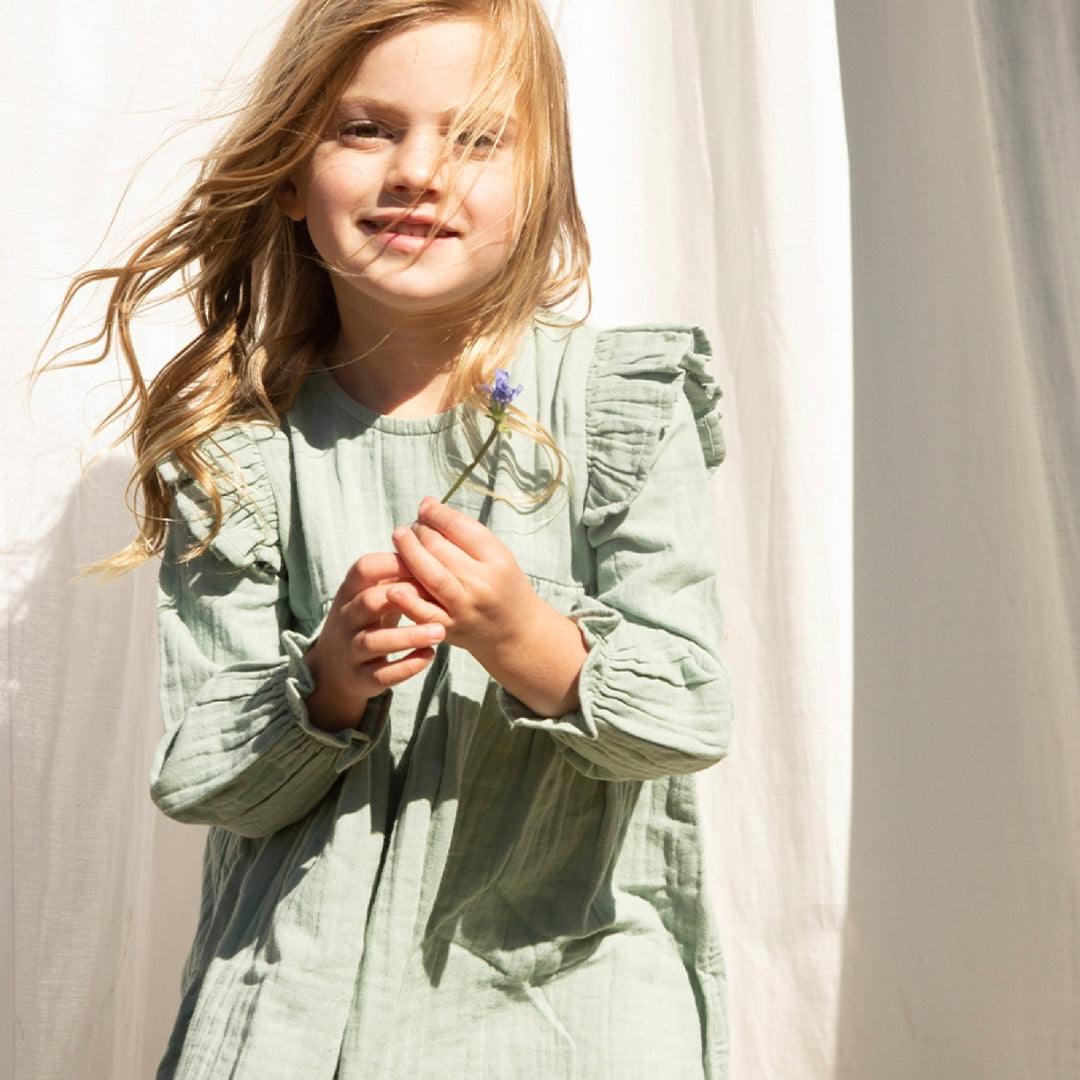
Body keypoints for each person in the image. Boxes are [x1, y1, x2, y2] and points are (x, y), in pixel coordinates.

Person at [53, 1, 733, 1076]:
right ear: (288, 171)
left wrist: (523, 636)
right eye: (366, 127)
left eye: (476, 137)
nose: (420, 170)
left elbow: (687, 713)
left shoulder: (614, 407)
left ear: (542, 180)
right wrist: (328, 680)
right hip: (303, 1013)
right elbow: (200, 779)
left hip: (574, 1006)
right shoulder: (242, 453)